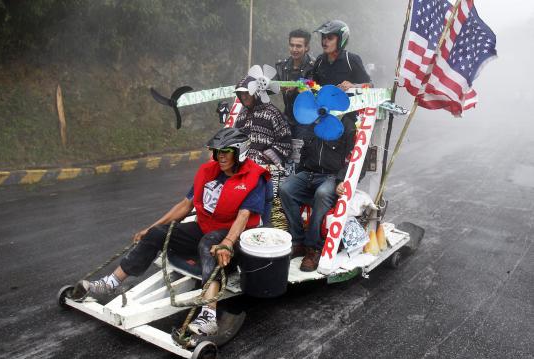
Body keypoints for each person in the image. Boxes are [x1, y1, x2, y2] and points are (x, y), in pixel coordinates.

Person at [73, 128, 270, 336]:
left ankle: (209, 315)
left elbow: (244, 217)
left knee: (208, 243)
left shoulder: (253, 178)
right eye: (217, 151)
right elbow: (185, 205)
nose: (220, 156)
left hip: (235, 236)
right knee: (157, 234)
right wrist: (152, 227)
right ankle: (109, 283)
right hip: (205, 228)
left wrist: (228, 242)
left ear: (239, 152)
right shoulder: (208, 172)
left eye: (226, 151)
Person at [279, 20, 372, 272]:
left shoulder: (352, 61)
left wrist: (353, 86)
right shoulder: (319, 62)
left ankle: (313, 247)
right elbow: (311, 83)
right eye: (323, 38)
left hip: (345, 117)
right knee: (286, 188)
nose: (325, 41)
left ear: (340, 39)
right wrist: (305, 87)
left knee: (322, 193)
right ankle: (297, 240)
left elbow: (369, 86)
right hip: (320, 120)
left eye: (330, 37)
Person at [234, 75, 292, 226]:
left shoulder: (272, 113)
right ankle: (242, 230)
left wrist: (265, 156)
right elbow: (235, 141)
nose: (244, 96)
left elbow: (286, 144)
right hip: (244, 168)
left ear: (257, 93)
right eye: (241, 93)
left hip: (269, 168)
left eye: (247, 92)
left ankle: (269, 231)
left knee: (272, 206)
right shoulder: (241, 116)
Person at [275, 29, 315, 141]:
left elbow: (315, 87)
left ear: (306, 47)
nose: (294, 49)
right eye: (292, 45)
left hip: (307, 118)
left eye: (298, 46)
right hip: (287, 117)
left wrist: (299, 86)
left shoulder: (315, 66)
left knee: (303, 152)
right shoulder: (281, 66)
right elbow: (271, 86)